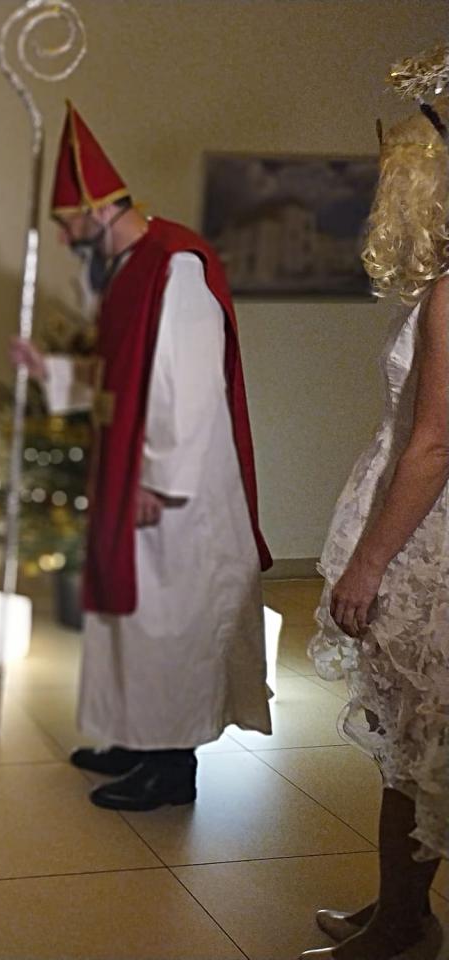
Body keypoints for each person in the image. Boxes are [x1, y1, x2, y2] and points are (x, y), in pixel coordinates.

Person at [12, 103, 273, 811]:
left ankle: (171, 763)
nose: (64, 236)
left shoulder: (175, 265)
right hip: (128, 469)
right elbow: (119, 380)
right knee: (129, 615)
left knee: (169, 618)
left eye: (68, 221)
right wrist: (48, 372)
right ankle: (134, 736)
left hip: (172, 485)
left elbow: (188, 388)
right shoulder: (128, 267)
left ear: (99, 208)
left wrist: (156, 479)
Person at [300, 84, 449, 960]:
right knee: (413, 745)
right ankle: (402, 908)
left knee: (420, 745)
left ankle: (403, 926)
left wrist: (368, 564)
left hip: (426, 543)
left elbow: (432, 446)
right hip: (420, 528)